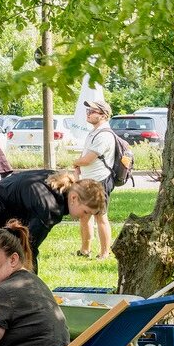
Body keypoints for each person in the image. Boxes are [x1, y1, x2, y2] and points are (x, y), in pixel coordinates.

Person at [0, 170, 106, 274]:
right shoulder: (49, 209)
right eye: (86, 212)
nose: (85, 217)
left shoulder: (58, 184)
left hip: (5, 210)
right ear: (74, 198)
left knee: (10, 263)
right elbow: (27, 248)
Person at [72, 99, 115, 259]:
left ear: (103, 115)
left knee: (100, 217)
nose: (88, 114)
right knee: (84, 216)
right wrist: (79, 166)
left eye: (92, 111)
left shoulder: (104, 135)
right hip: (88, 181)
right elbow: (85, 156)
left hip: (100, 181)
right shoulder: (94, 132)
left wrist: (76, 162)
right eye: (87, 111)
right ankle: (85, 250)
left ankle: (104, 253)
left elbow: (88, 159)